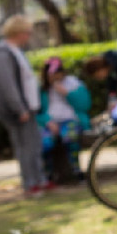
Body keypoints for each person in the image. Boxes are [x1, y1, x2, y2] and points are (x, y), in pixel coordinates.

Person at [0, 15, 47, 196]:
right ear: (18, 32)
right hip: (18, 110)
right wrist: (19, 108)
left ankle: (39, 179)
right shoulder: (3, 54)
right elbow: (8, 84)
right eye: (27, 33)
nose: (29, 37)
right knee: (25, 147)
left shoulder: (16, 51)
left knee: (34, 145)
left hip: (29, 106)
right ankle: (30, 184)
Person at [38, 56, 91, 184]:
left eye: (57, 74)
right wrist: (48, 122)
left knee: (70, 137)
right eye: (51, 75)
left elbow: (85, 105)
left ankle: (77, 172)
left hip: (71, 120)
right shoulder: (43, 89)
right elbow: (38, 111)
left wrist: (67, 94)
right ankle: (48, 176)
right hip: (50, 123)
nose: (54, 77)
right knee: (45, 143)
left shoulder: (73, 84)